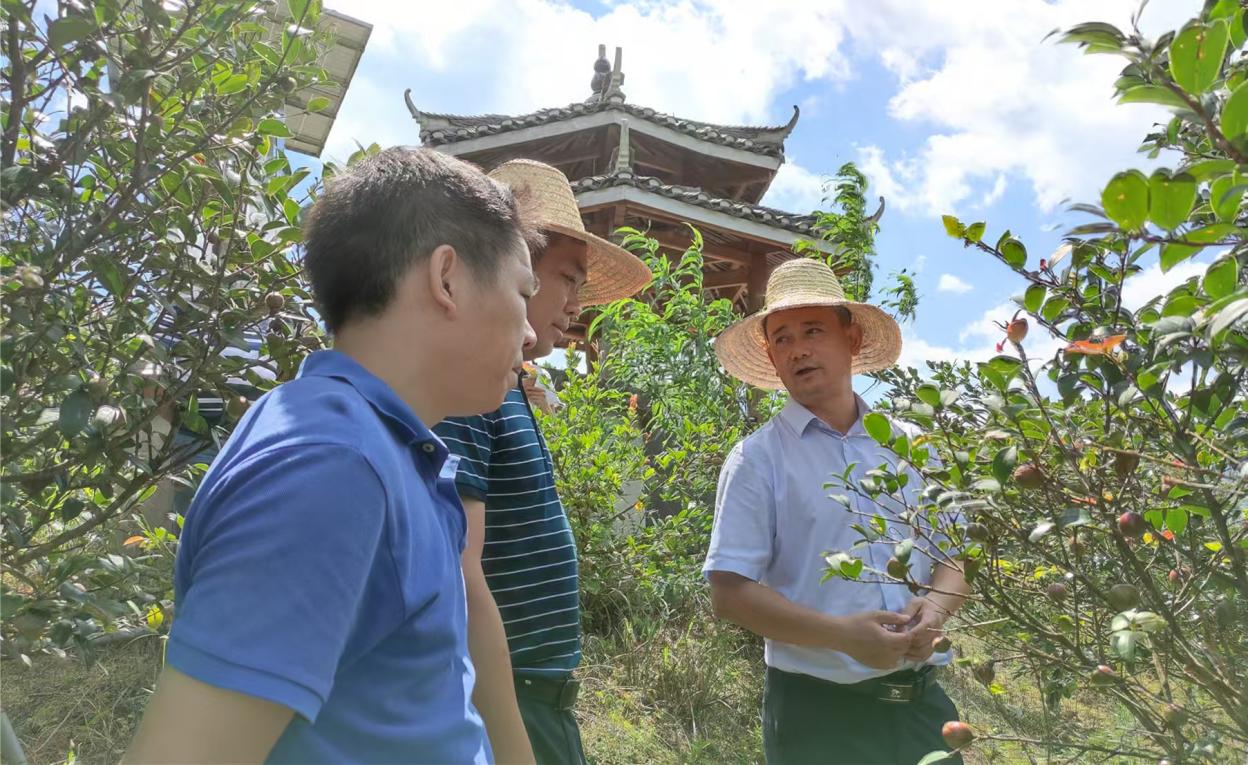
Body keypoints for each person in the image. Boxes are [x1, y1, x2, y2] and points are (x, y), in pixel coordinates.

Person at [125, 147, 543, 764]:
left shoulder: (383, 452)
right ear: (447, 278)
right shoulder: (330, 465)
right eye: (521, 292)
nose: (531, 332)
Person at [703, 258, 970, 765]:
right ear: (772, 358)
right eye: (781, 338)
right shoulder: (757, 461)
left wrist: (932, 614)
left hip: (922, 707)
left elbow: (959, 556)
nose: (798, 348)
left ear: (851, 339)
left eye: (813, 330)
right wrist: (843, 638)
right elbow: (730, 593)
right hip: (817, 715)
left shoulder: (912, 446)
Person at [434, 159, 652, 765]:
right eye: (564, 278)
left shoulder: (507, 388)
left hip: (536, 693)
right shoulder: (471, 395)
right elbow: (463, 572)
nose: (575, 303)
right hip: (509, 698)